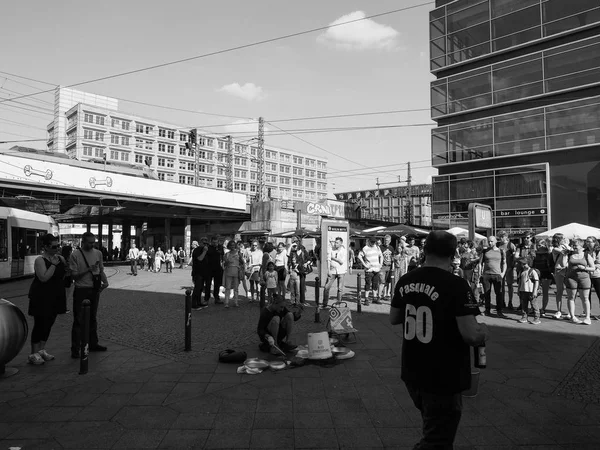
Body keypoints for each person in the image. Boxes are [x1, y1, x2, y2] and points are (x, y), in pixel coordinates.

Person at [389, 231, 489, 449]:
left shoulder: (406, 279)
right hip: (443, 374)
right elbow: (471, 335)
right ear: (454, 254)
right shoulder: (456, 285)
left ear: (424, 251)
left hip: (412, 369)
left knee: (432, 426)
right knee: (438, 440)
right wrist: (483, 333)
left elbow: (394, 318)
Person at [27, 234, 68, 365]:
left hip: (56, 295)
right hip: (41, 296)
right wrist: (54, 265)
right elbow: (44, 278)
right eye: (53, 246)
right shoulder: (40, 260)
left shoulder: (60, 258)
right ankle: (33, 353)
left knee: (49, 323)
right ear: (45, 247)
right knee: (40, 324)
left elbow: (65, 273)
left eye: (58, 246)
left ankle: (41, 350)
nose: (57, 248)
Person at [69, 231, 109, 358]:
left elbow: (100, 270)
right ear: (83, 241)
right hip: (81, 290)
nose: (92, 245)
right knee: (79, 320)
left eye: (94, 242)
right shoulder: (75, 255)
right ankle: (75, 349)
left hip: (94, 289)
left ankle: (93, 344)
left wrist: (105, 282)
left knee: (92, 318)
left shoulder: (98, 253)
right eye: (90, 243)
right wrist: (88, 269)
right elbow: (74, 275)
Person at [564, 238, 595, 325]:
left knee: (585, 298)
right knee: (571, 297)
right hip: (571, 278)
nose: (574, 247)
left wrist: (584, 268)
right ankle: (573, 316)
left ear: (581, 246)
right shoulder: (569, 254)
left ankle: (587, 317)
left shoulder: (586, 255)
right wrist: (564, 255)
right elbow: (563, 264)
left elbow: (593, 268)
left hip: (584, 278)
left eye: (576, 245)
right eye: (573, 245)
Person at [479, 236, 506, 318]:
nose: (490, 243)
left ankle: (499, 310)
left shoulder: (501, 251)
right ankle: (487, 310)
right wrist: (481, 273)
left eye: (491, 241)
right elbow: (480, 263)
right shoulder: (484, 251)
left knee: (499, 294)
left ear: (495, 241)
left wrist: (503, 273)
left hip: (497, 275)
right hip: (486, 275)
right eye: (489, 241)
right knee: (487, 293)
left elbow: (505, 263)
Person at [322, 236, 348, 309]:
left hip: (341, 271)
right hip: (332, 271)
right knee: (326, 287)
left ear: (341, 243)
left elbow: (341, 261)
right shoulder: (331, 249)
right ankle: (324, 303)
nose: (335, 244)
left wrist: (333, 258)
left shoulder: (344, 251)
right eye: (335, 242)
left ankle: (338, 303)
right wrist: (328, 270)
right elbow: (328, 259)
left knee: (340, 288)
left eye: (337, 243)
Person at [551, 233, 571, 319]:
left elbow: (572, 250)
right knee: (559, 291)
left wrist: (567, 245)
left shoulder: (565, 246)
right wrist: (566, 245)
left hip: (567, 270)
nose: (565, 239)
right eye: (563, 238)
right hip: (559, 270)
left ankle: (570, 311)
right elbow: (564, 252)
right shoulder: (555, 249)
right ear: (559, 240)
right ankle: (558, 311)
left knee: (570, 291)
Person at [358, 237, 382, 305]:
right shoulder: (365, 248)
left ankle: (374, 298)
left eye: (374, 242)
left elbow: (381, 255)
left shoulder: (377, 247)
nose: (373, 243)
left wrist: (380, 264)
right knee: (368, 284)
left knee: (375, 285)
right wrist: (365, 265)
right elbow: (359, 256)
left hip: (376, 269)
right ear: (369, 241)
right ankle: (366, 299)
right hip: (369, 270)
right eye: (372, 242)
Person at [516, 256, 541, 324]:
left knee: (534, 304)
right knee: (524, 305)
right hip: (523, 290)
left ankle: (537, 317)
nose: (523, 265)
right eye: (522, 264)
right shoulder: (521, 272)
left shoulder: (532, 271)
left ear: (529, 263)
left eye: (525, 264)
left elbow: (536, 281)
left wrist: (535, 291)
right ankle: (524, 317)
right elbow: (520, 282)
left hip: (531, 291)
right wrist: (518, 290)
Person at [497, 231, 517, 310]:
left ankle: (510, 302)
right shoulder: (499, 245)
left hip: (509, 268)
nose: (500, 238)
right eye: (499, 237)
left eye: (502, 237)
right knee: (501, 286)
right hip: (500, 268)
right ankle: (502, 301)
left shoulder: (510, 245)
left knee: (509, 285)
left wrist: (512, 266)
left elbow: (515, 256)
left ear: (506, 237)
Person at [533, 239, 553, 315]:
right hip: (536, 274)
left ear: (545, 245)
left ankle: (543, 309)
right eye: (538, 245)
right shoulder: (535, 253)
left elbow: (551, 264)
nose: (539, 246)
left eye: (541, 245)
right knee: (534, 291)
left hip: (546, 274)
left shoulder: (548, 254)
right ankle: (534, 307)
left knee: (545, 292)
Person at [223, 240, 244, 308]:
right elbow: (224, 264)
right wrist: (226, 261)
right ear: (229, 246)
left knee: (236, 288)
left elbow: (242, 262)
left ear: (235, 246)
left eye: (233, 245)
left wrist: (241, 257)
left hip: (236, 272)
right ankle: (226, 302)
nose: (232, 246)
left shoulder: (238, 253)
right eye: (231, 245)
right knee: (228, 288)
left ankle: (236, 302)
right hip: (228, 271)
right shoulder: (227, 254)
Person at [190, 239, 209, 310]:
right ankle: (193, 304)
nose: (205, 245)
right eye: (204, 243)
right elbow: (200, 258)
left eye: (206, 243)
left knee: (200, 288)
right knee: (197, 288)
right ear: (200, 243)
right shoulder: (197, 250)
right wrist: (204, 251)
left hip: (203, 272)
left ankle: (198, 302)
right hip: (197, 272)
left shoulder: (205, 250)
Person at [585, 236, 600, 320]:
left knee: (599, 294)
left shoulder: (598, 251)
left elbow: (599, 263)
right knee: (587, 294)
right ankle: (587, 311)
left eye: (590, 241)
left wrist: (591, 265)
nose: (588, 243)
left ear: (595, 242)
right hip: (587, 275)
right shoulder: (585, 251)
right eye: (587, 241)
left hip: (597, 275)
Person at [379, 234, 395, 300]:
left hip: (389, 266)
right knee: (382, 282)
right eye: (385, 240)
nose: (386, 242)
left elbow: (393, 257)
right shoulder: (380, 247)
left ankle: (386, 294)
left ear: (390, 241)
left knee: (388, 282)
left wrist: (393, 267)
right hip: (382, 267)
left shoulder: (391, 248)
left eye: (388, 240)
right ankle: (379, 296)